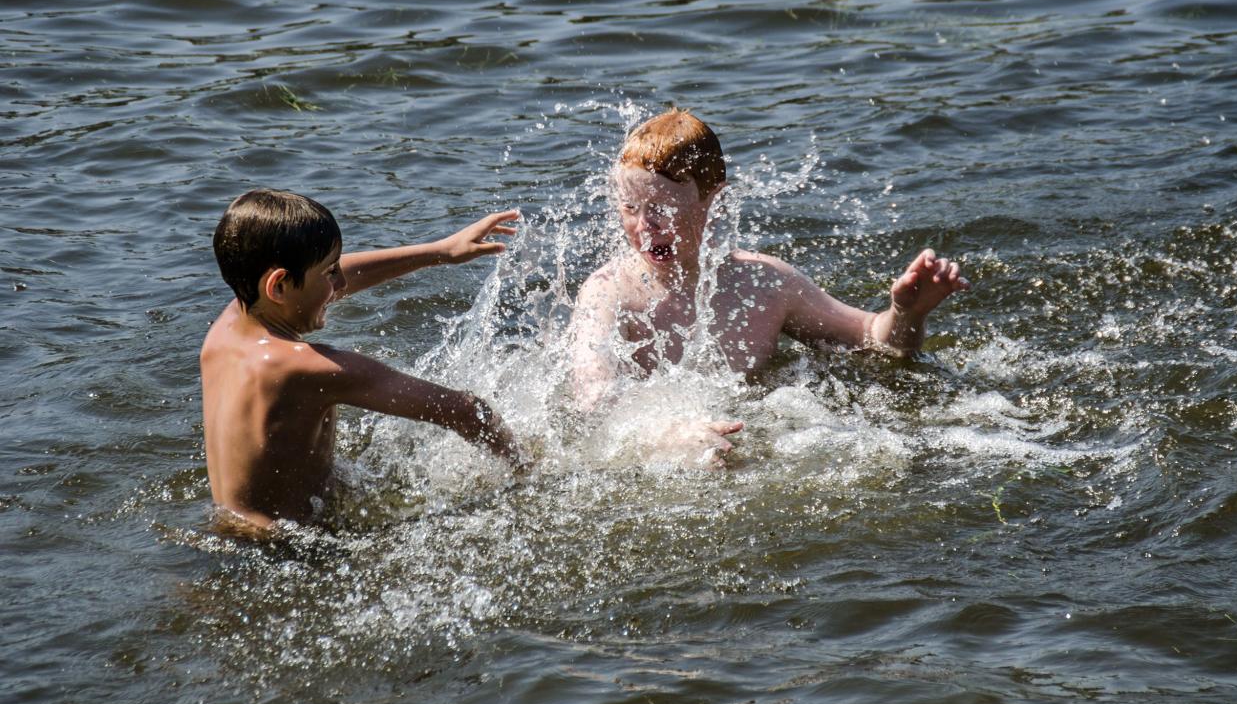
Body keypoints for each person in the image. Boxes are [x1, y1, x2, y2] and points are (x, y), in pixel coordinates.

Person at [568, 109, 970, 466]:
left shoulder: (764, 283)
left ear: (715, 204)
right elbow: (593, 400)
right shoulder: (609, 291)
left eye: (662, 208)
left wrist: (907, 314)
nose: (644, 226)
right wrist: (665, 435)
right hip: (654, 458)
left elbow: (876, 342)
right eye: (630, 208)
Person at [201, 189, 522, 530]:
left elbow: (336, 275)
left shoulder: (226, 329)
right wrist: (526, 470)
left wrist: (440, 251)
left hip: (227, 530)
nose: (340, 284)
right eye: (329, 273)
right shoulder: (307, 368)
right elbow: (465, 410)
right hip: (289, 552)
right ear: (278, 287)